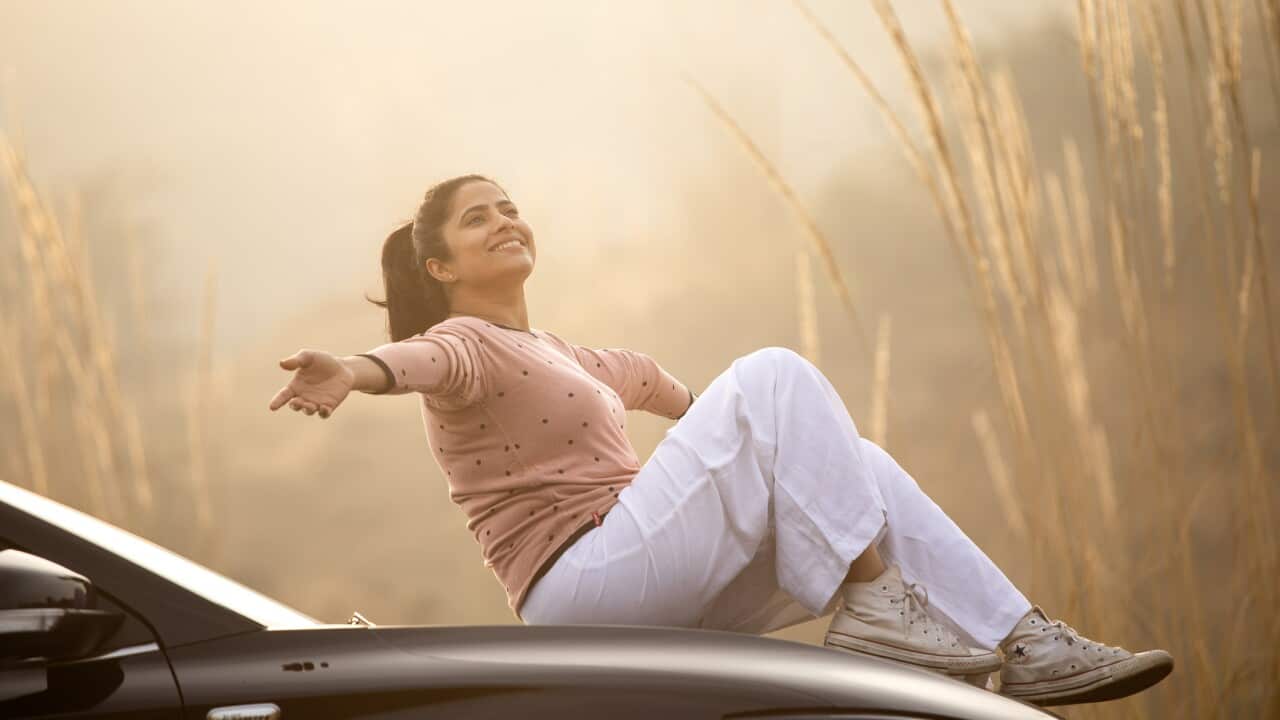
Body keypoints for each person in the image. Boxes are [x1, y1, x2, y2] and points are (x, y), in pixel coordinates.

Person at [268, 173, 1172, 707]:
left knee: (855, 462)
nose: (506, 219)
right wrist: (352, 369)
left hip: (646, 575)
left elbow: (718, 413)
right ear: (441, 268)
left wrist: (779, 445)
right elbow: (413, 364)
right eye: (479, 219)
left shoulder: (570, 357)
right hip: (580, 589)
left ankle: (1024, 647)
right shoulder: (464, 345)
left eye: (509, 206)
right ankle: (875, 609)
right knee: (775, 370)